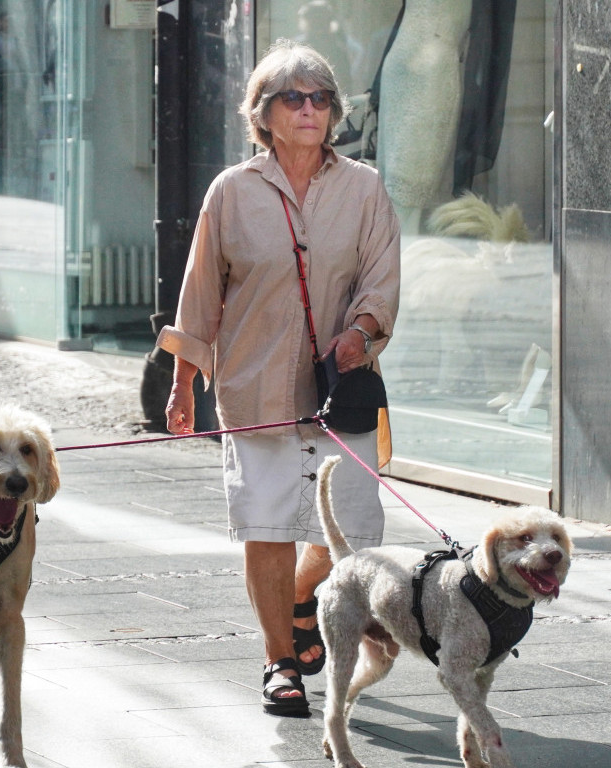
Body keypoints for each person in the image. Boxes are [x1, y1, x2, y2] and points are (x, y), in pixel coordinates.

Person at [157, 39, 400, 717]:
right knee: (266, 526)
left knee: (348, 533)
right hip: (255, 387)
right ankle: (278, 662)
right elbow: (200, 295)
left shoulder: (365, 188)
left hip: (339, 391)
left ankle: (300, 599)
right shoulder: (232, 191)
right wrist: (182, 384)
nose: (309, 110)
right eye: (293, 98)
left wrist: (361, 332)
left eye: (321, 98)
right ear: (263, 114)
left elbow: (381, 278)